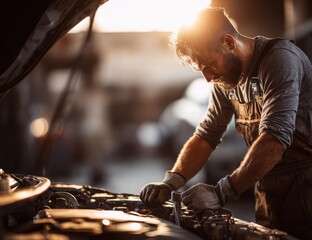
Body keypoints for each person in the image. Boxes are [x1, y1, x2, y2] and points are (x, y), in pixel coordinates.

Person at [140, 7, 312, 239]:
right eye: (200, 70)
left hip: (307, 186)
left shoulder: (279, 59)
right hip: (268, 191)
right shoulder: (227, 81)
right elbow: (207, 133)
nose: (208, 77)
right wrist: (171, 182)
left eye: (209, 65)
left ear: (229, 42)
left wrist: (221, 193)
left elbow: (275, 139)